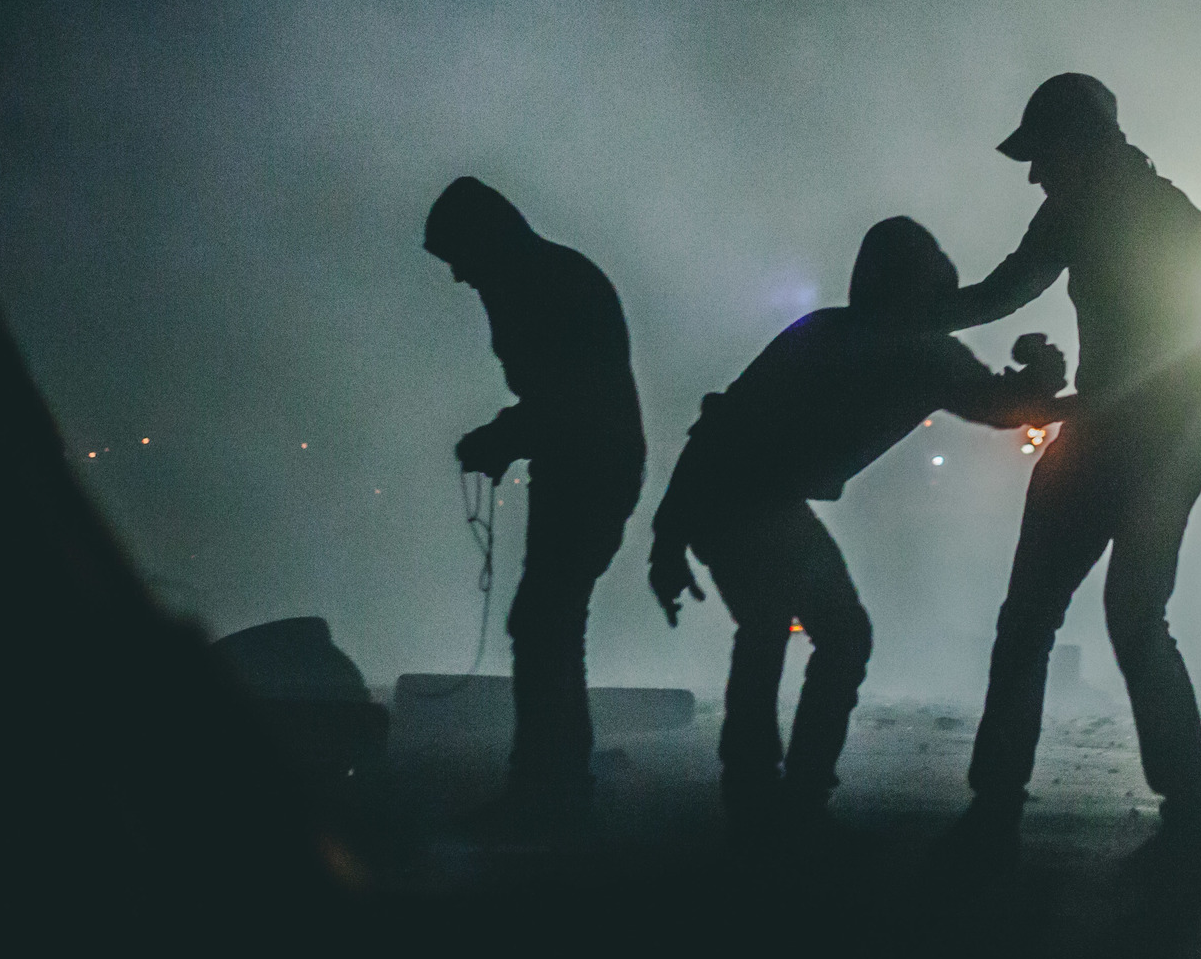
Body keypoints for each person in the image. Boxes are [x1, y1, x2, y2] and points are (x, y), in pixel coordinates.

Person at [647, 217, 1068, 843]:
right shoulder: (924, 352)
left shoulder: (830, 332)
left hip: (741, 495)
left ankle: (765, 791)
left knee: (792, 630)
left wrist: (668, 537)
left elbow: (719, 423)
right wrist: (1051, 386)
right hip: (749, 498)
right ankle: (780, 794)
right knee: (823, 634)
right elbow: (1002, 406)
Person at [929, 73, 1201, 888]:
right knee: (1114, 620)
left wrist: (1137, 390)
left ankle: (1002, 812)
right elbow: (1010, 288)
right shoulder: (1126, 211)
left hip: (1147, 446)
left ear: (1083, 145)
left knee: (1059, 620)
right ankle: (1187, 819)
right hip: (1136, 445)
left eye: (1042, 156)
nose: (1034, 174)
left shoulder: (1157, 218)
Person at [425, 176, 646, 832]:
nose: (460, 277)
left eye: (458, 258)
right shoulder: (548, 277)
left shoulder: (541, 287)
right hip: (587, 467)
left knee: (544, 620)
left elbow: (569, 399)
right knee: (550, 619)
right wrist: (511, 435)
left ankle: (546, 787)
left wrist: (505, 436)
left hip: (589, 469)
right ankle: (553, 781)